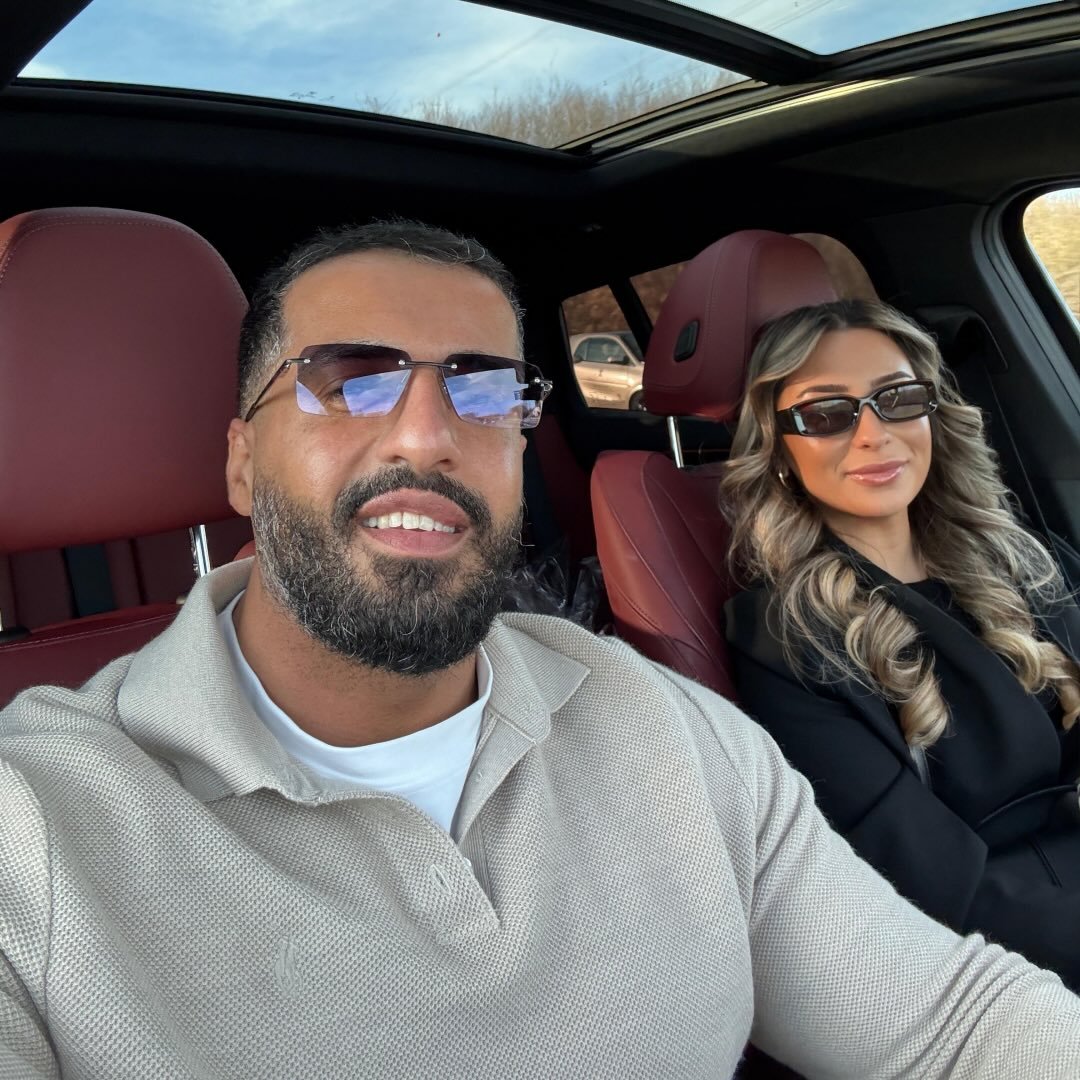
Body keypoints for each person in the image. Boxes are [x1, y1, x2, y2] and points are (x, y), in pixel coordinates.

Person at [1, 228, 1080, 1080]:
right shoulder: (33, 830)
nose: (427, 435)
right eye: (352, 377)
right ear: (242, 462)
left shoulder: (658, 720)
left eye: (482, 389)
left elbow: (951, 1025)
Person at [722, 297, 1080, 991]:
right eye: (826, 414)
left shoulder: (1026, 559)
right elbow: (926, 880)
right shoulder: (784, 638)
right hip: (1009, 952)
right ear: (781, 447)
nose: (873, 434)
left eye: (898, 398)